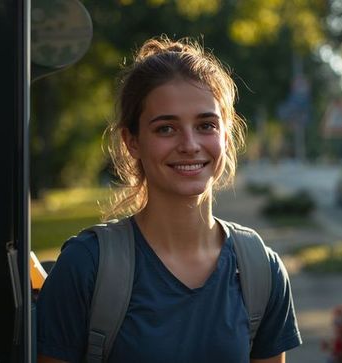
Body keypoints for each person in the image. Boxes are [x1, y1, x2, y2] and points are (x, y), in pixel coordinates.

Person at [37, 35, 301, 363]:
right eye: (166, 129)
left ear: (226, 134)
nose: (189, 144)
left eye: (206, 125)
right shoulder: (86, 266)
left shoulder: (262, 270)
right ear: (132, 141)